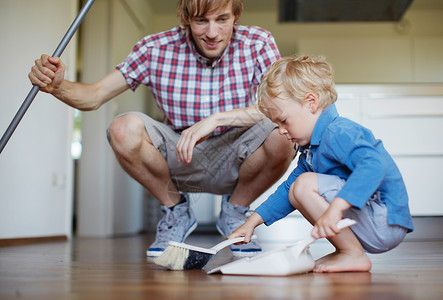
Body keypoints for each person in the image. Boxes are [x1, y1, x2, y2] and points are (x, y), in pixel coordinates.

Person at [28, 0, 296, 257]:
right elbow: (94, 95)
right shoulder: (153, 48)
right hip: (181, 155)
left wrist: (215, 119)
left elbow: (283, 105)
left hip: (239, 155)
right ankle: (175, 210)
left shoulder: (258, 42)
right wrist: (58, 87)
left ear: (236, 15)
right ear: (184, 18)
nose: (212, 33)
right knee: (122, 128)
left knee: (283, 133)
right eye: (201, 21)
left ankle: (236, 210)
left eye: (222, 19)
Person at [228, 55, 414, 272]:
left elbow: (374, 166)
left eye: (284, 120)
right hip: (371, 220)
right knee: (296, 188)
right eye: (276, 124)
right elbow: (288, 190)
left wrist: (336, 208)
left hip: (384, 219)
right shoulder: (311, 149)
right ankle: (348, 250)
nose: (281, 130)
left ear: (311, 103)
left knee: (304, 185)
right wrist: (252, 223)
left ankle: (352, 253)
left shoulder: (338, 132)